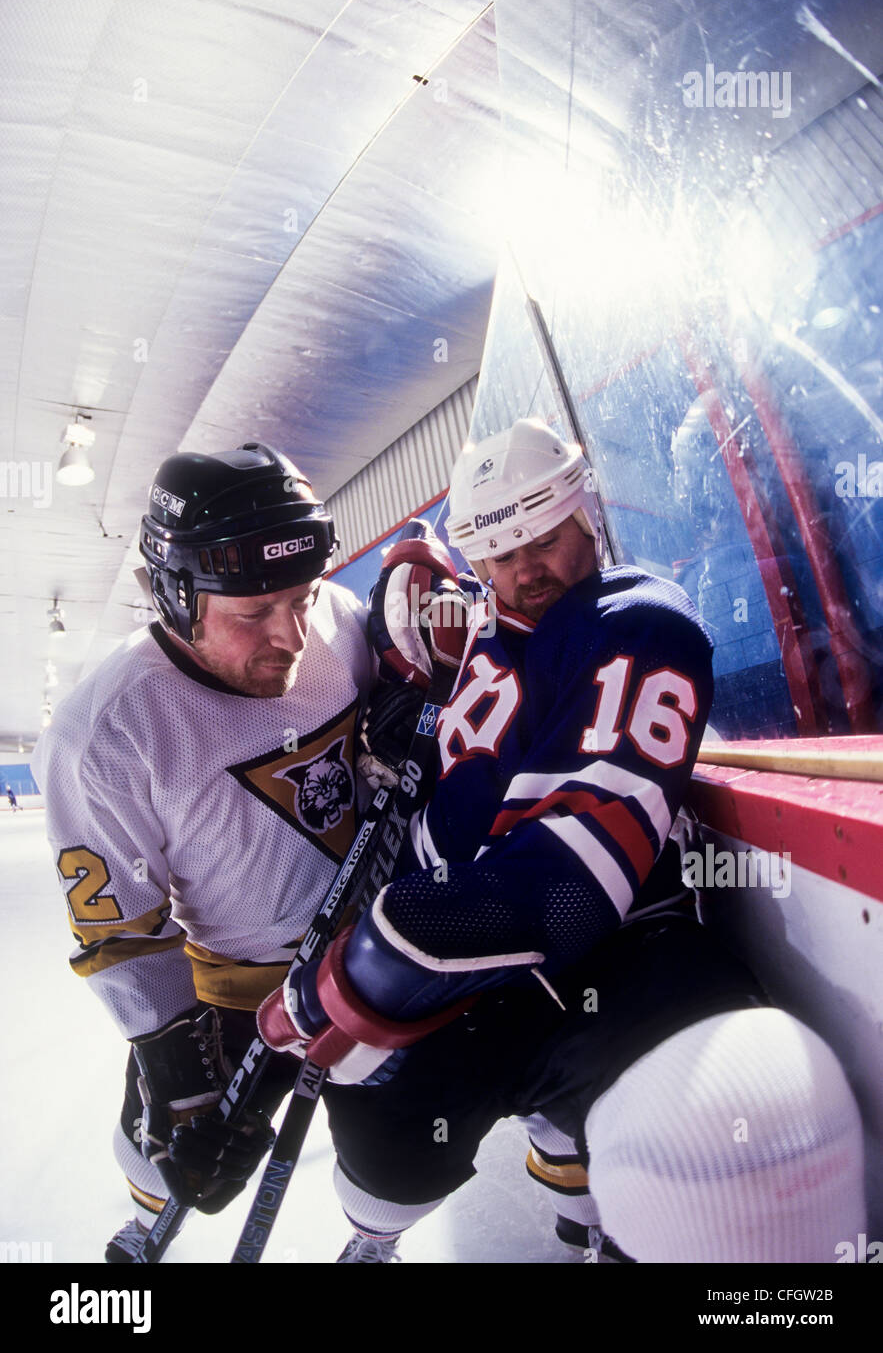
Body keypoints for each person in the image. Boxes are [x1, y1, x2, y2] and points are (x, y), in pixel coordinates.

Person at [259, 417, 866, 1263]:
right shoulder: (483, 633)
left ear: (586, 513)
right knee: (379, 1149)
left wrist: (365, 960)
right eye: (499, 555)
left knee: (741, 1117)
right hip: (465, 981)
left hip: (611, 957)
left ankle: (609, 1212)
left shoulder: (638, 623)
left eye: (542, 539)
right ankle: (386, 1231)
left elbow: (567, 891)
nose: (524, 571)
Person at [32, 441, 375, 1262]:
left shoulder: (337, 625)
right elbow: (119, 929)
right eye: (251, 614)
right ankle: (146, 1211)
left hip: (374, 954)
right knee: (162, 1151)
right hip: (235, 989)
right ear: (180, 598)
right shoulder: (104, 732)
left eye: (303, 598)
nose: (290, 635)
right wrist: (176, 1074)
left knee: (399, 1155)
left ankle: (377, 1231)